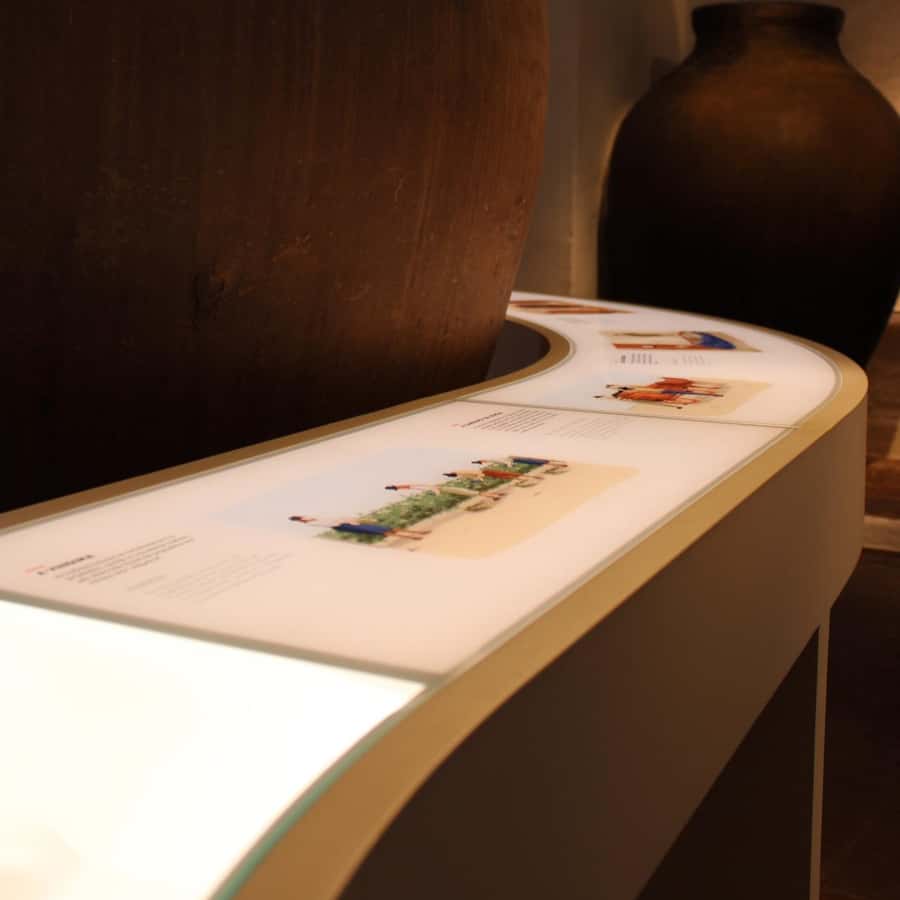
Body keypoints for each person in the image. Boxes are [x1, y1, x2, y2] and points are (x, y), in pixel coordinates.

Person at [289, 515, 428, 540]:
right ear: (301, 520)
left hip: (346, 523)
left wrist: (349, 520)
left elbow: (333, 519)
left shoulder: (314, 518)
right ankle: (413, 536)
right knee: (381, 531)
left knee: (383, 528)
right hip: (344, 526)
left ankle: (416, 533)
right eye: (302, 518)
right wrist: (347, 523)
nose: (305, 517)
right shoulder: (312, 522)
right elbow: (333, 523)